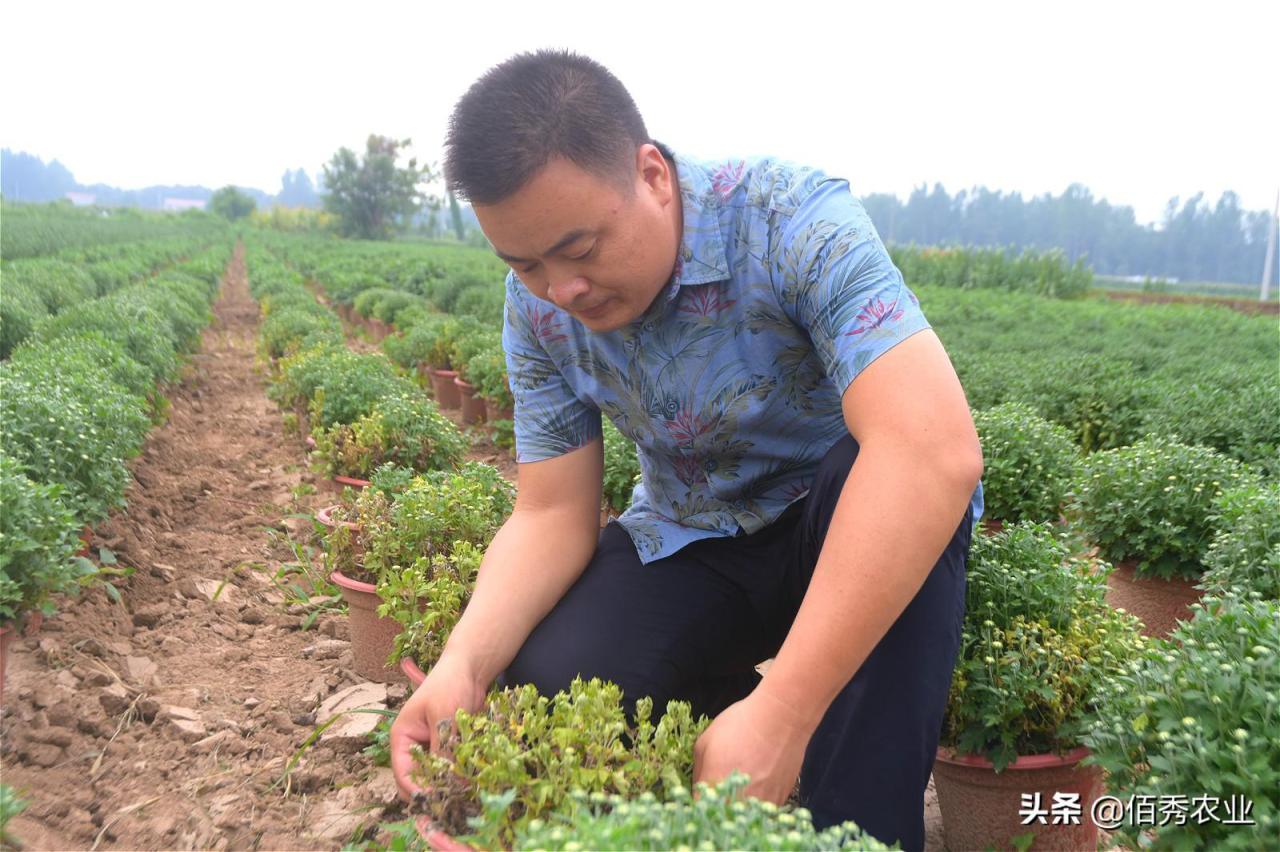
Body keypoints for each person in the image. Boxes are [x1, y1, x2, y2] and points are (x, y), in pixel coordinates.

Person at [390, 49, 985, 851]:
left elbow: (932, 451)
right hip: (697, 532)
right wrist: (463, 662)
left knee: (873, 478)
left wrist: (786, 711)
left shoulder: (791, 220)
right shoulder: (537, 310)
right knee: (557, 689)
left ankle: (854, 824)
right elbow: (552, 511)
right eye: (526, 264)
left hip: (842, 528)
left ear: (652, 177)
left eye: (580, 249)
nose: (562, 289)